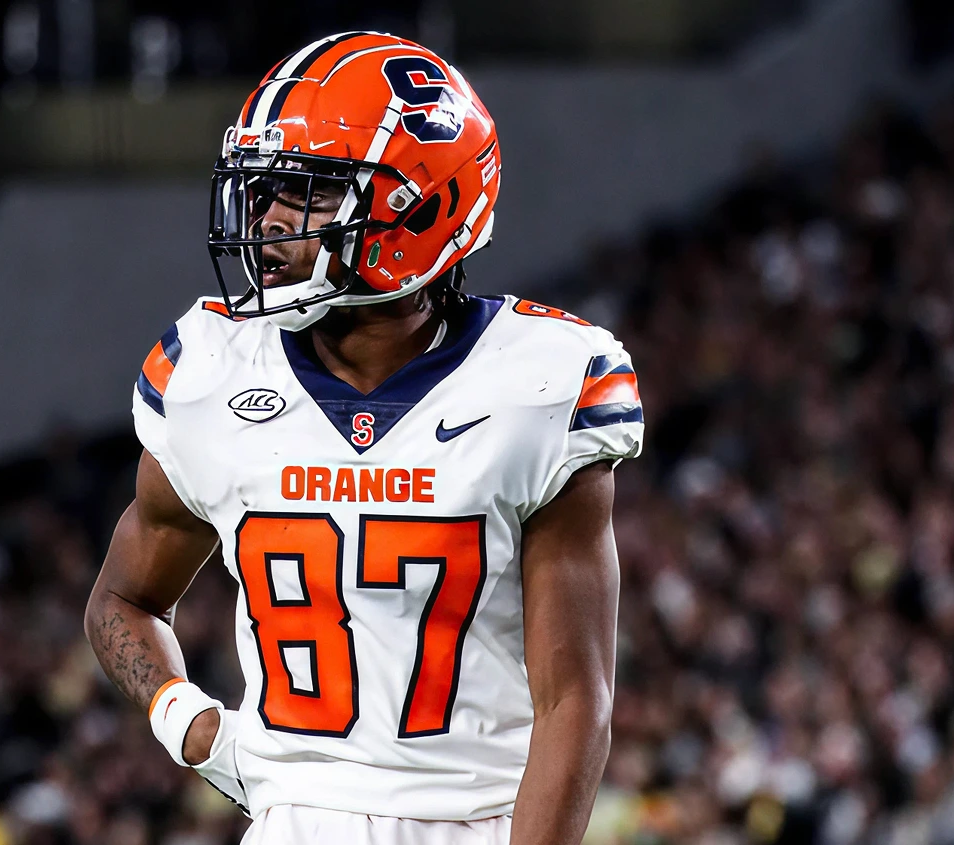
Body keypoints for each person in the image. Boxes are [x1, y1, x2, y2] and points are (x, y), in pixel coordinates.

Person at [83, 32, 644, 845]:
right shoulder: (210, 373)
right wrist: (189, 722)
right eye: (263, 191)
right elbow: (121, 600)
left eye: (304, 194)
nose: (267, 222)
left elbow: (575, 699)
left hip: (477, 823)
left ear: (420, 207)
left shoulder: (538, 385)